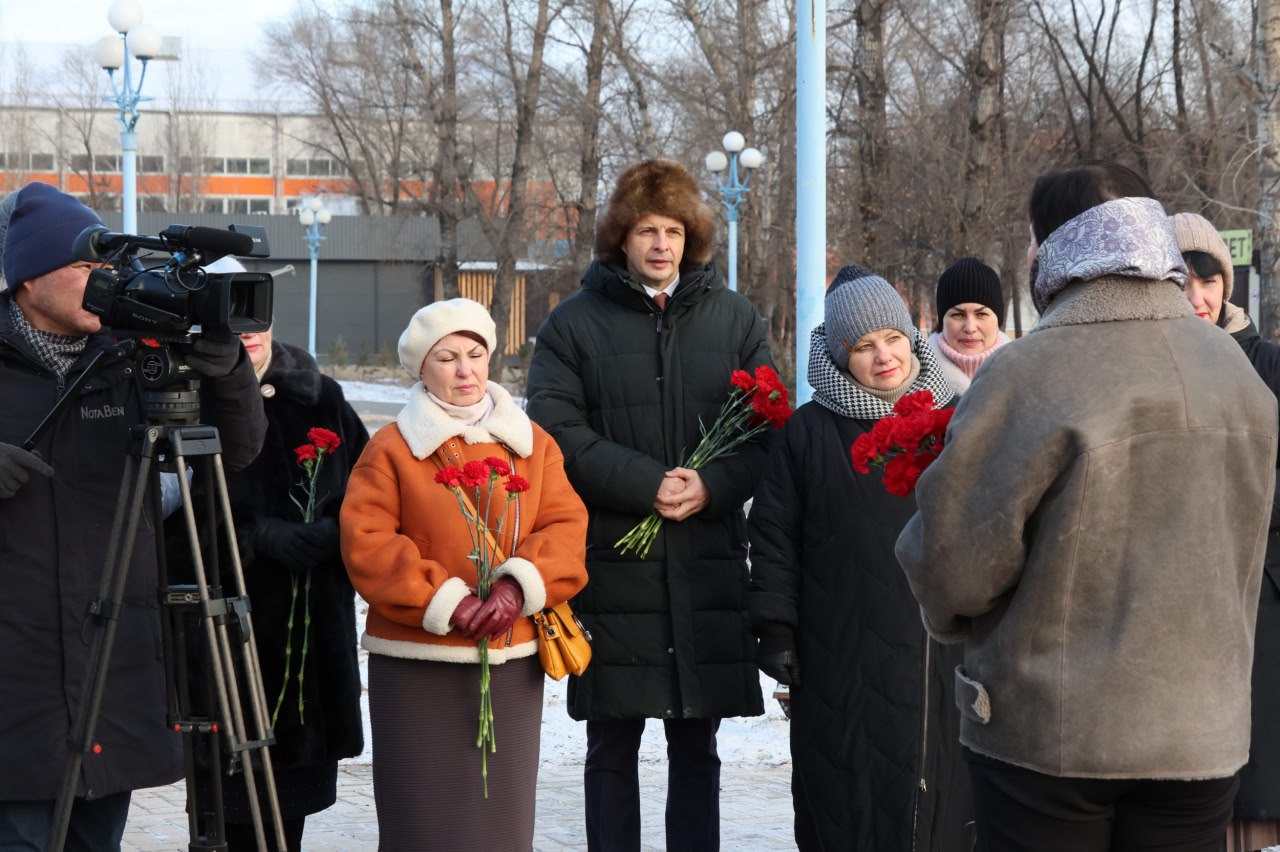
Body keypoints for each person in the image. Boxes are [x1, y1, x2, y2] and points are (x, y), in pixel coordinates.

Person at [895, 161, 1278, 852]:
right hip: (1200, 734)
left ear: (1052, 247)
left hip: (1050, 734)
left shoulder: (1030, 371)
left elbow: (954, 566)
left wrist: (949, 615)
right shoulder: (1237, 373)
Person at [0, 181, 267, 849]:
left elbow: (237, 450)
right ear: (28, 279)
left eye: (107, 266)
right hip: (15, 679)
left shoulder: (131, 359)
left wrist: (226, 366)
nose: (104, 282)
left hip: (112, 666)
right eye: (86, 266)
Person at [525, 158, 774, 852]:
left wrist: (714, 485)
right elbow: (555, 430)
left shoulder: (735, 319)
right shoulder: (574, 325)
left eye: (671, 230)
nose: (660, 244)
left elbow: (764, 426)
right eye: (644, 230)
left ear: (690, 236)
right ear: (621, 239)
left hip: (706, 564)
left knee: (698, 746)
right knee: (611, 743)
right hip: (612, 563)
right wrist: (645, 482)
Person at [340, 297, 588, 851]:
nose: (464, 370)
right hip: (417, 664)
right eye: (446, 357)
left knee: (499, 821)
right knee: (422, 817)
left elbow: (566, 526)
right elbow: (369, 543)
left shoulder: (533, 444)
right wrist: (446, 601)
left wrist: (514, 586)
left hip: (510, 660)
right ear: (421, 369)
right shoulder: (391, 449)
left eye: (475, 354)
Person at [748, 264, 969, 851]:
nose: (884, 357)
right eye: (865, 346)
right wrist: (776, 627)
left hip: (937, 649)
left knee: (939, 791)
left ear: (913, 337)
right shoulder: (808, 433)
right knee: (844, 791)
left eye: (893, 339)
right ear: (840, 355)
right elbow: (773, 534)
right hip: (838, 648)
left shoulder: (956, 420)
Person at [199, 277, 366, 850]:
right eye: (232, 321)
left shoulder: (322, 397)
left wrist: (333, 532)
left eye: (256, 319)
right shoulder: (191, 395)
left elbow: (370, 491)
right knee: (228, 813)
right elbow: (164, 514)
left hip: (309, 638)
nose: (248, 335)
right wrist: (255, 538)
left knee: (288, 809)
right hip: (227, 636)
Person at [1169, 212, 1280, 852]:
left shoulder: (1265, 363)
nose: (1197, 298)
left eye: (1208, 280)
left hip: (1259, 590)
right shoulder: (1149, 367)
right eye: (1181, 282)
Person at [925, 256, 1010, 394]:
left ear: (998, 320)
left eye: (981, 314)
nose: (970, 328)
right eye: (958, 315)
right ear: (941, 321)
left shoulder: (1023, 377)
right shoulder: (915, 384)